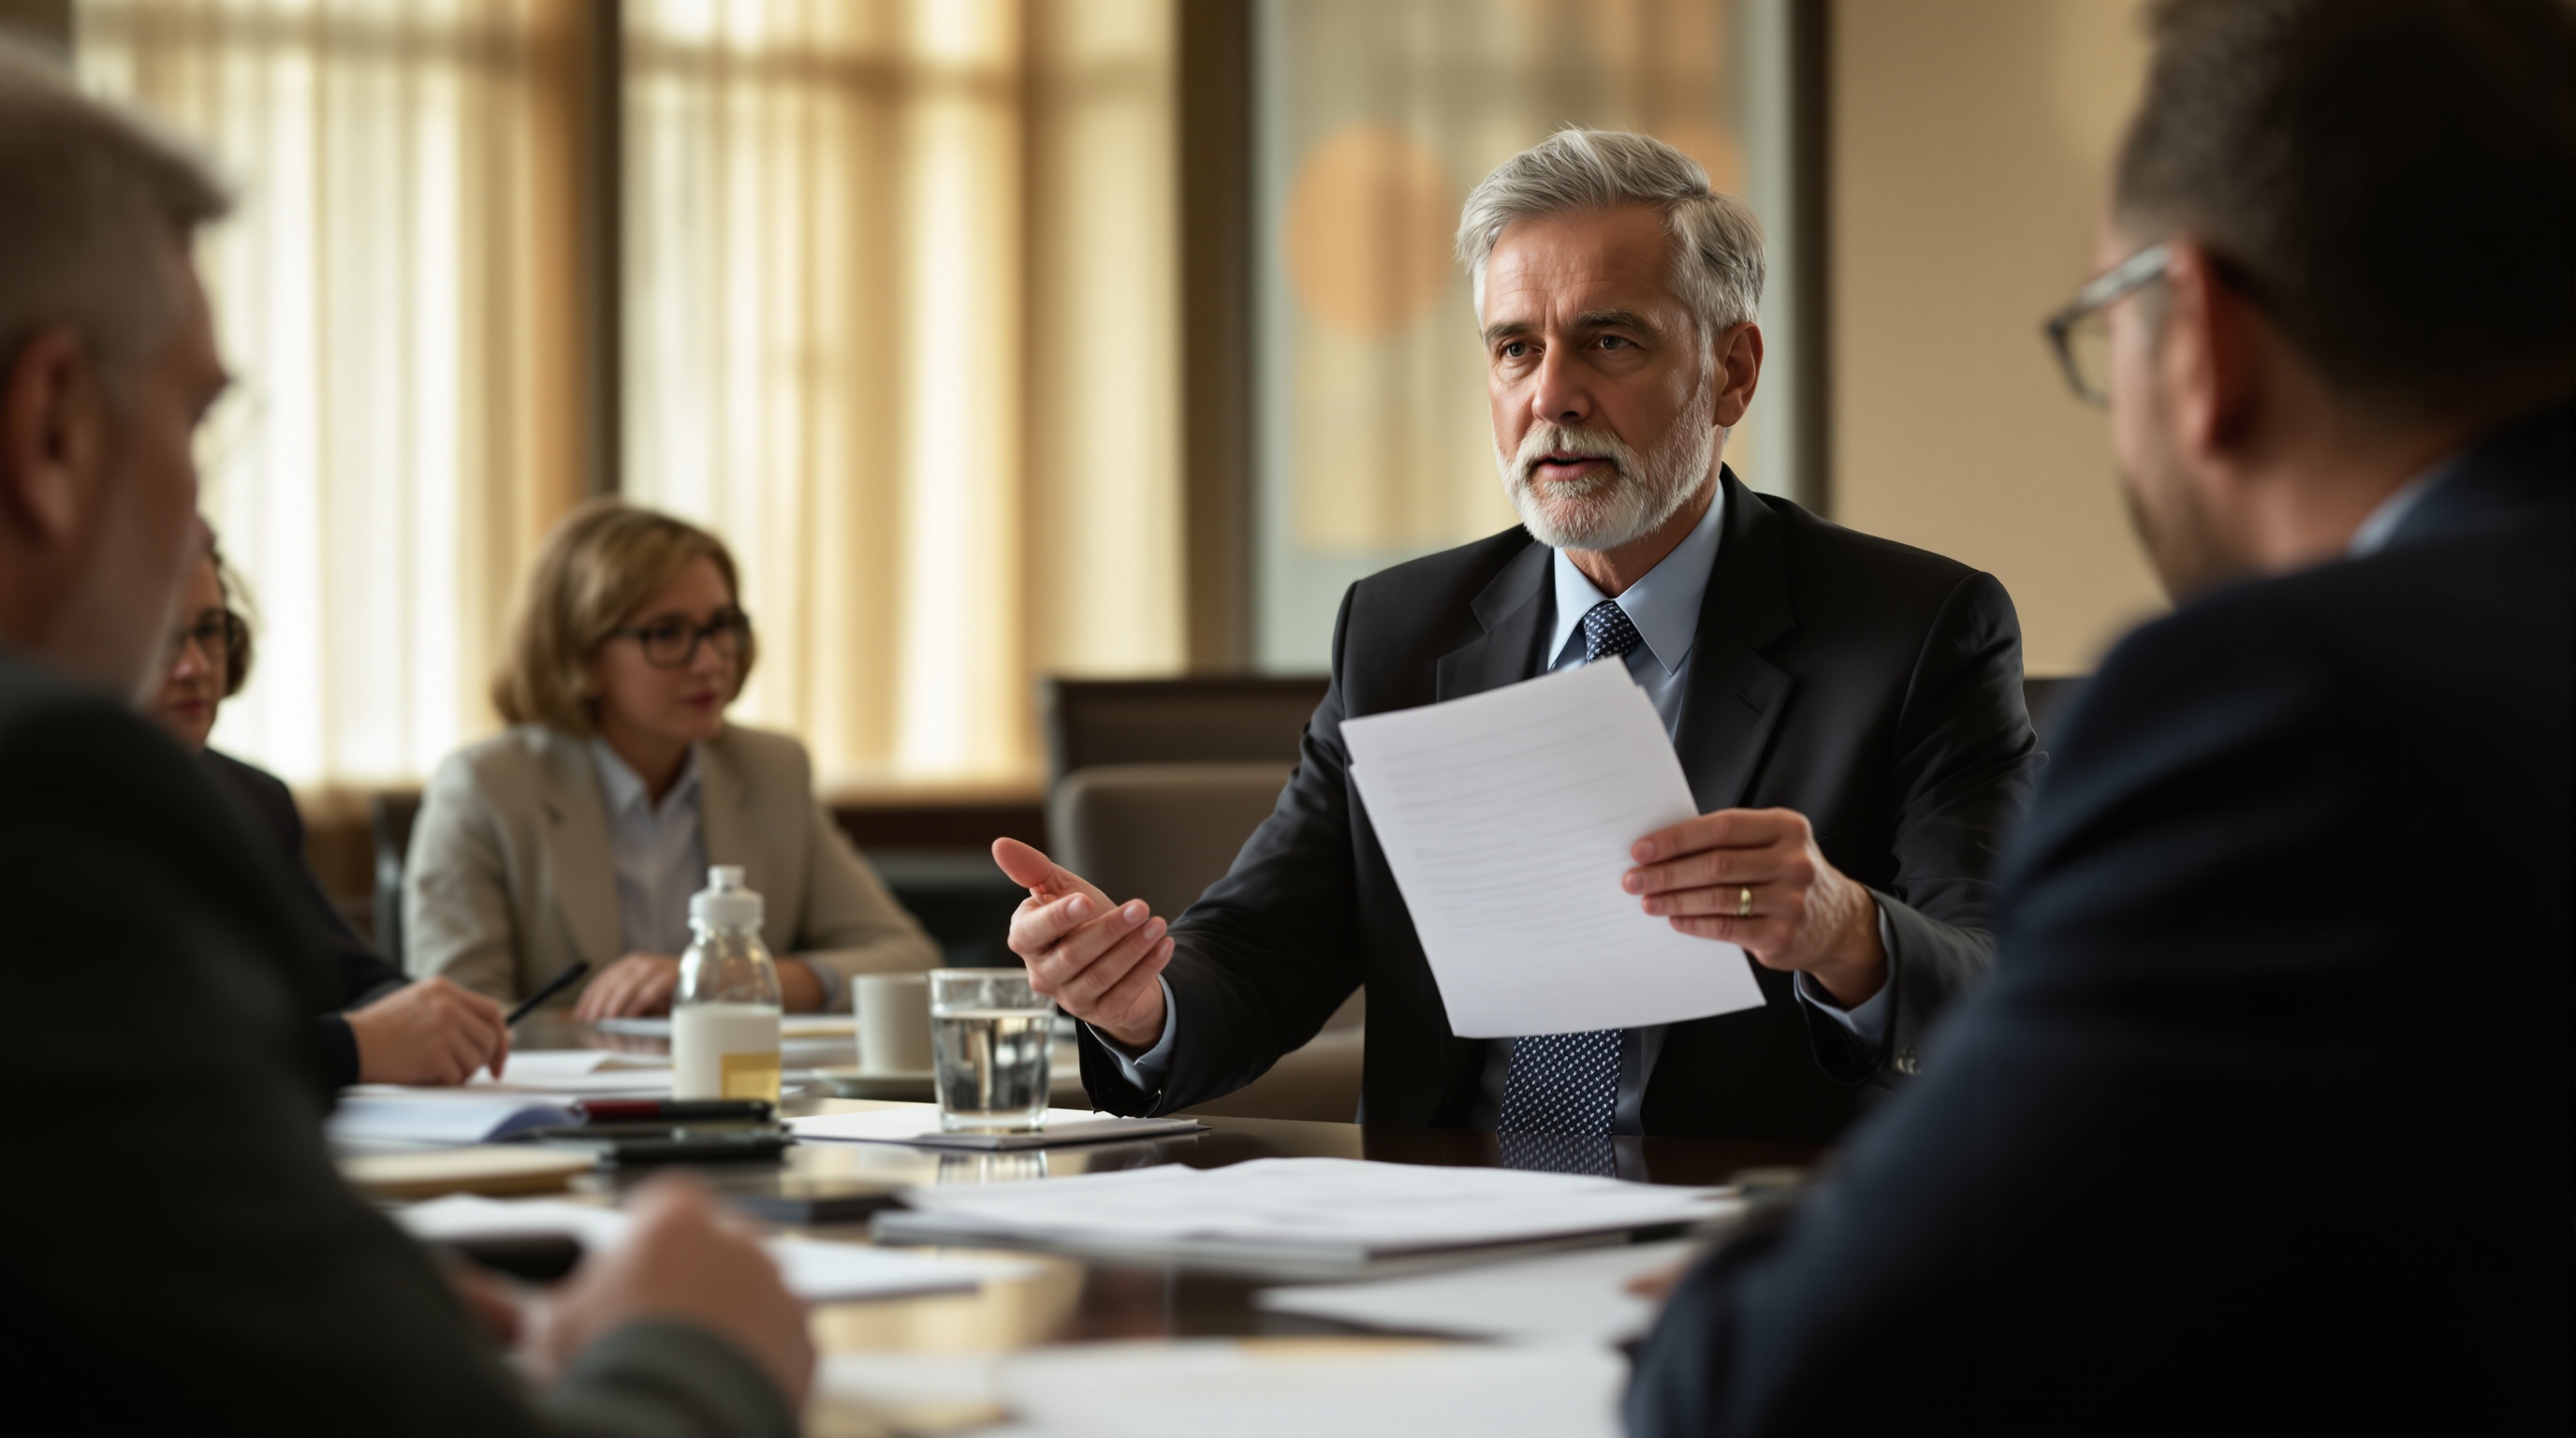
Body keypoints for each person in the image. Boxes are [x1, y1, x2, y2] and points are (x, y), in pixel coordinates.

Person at [1627, 0, 2572, 1431]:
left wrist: (1745, 1268)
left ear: (2197, 338)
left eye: (2105, 327)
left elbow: (1797, 1377)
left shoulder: (2291, 714)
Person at [0, 39, 810, 1433]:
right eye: (198, 416)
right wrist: (696, 1343)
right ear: (53, 427)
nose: (201, 513)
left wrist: (361, 1312)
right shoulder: (56, 804)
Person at [1000, 128, 2042, 1149]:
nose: (1551, 396)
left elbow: (2012, 987)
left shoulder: (1914, 633)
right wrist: (1139, 999)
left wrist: (1845, 931)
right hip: (1448, 1250)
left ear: (1731, 371)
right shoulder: (1401, 631)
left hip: (1750, 1256)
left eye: (1609, 340)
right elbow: (1265, 950)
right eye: (1515, 348)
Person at [406, 498, 938, 1020]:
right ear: (580, 655)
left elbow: (907, 960)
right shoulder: (486, 786)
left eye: (721, 626)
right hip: (562, 1103)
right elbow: (458, 1019)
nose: (710, 662)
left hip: (742, 1091)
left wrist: (733, 979)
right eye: (667, 634)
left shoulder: (771, 769)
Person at [149, 529, 510, 1086]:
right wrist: (353, 1046)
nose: (195, 667)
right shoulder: (40, 809)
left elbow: (357, 980)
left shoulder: (253, 800)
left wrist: (432, 1013)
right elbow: (147, 1048)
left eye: (208, 632)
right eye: (162, 638)